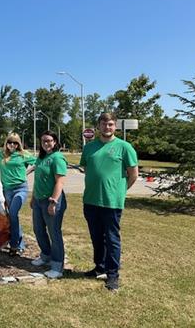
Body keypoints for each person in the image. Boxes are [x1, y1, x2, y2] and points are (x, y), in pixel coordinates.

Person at [80, 112, 138, 291]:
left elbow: (133, 174)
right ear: (98, 126)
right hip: (90, 200)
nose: (107, 127)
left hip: (112, 203)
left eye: (111, 124)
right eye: (104, 124)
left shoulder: (124, 147)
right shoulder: (89, 148)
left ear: (115, 126)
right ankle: (100, 267)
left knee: (112, 239)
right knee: (96, 237)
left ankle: (113, 275)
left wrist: (119, 191)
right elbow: (87, 168)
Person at [0, 133, 36, 256]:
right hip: (7, 190)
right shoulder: (2, 154)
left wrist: (27, 172)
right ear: (6, 143)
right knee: (12, 217)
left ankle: (14, 245)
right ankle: (20, 244)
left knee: (13, 213)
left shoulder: (24, 155)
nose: (12, 145)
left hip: (21, 189)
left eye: (15, 143)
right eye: (10, 142)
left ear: (19, 144)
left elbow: (38, 162)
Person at [30, 130, 68, 279]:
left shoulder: (57, 158)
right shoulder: (41, 158)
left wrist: (53, 201)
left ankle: (57, 267)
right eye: (44, 141)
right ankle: (45, 255)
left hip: (52, 201)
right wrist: (33, 197)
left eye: (49, 140)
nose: (46, 143)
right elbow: (38, 180)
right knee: (38, 229)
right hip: (39, 200)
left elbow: (60, 181)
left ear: (55, 142)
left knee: (54, 233)